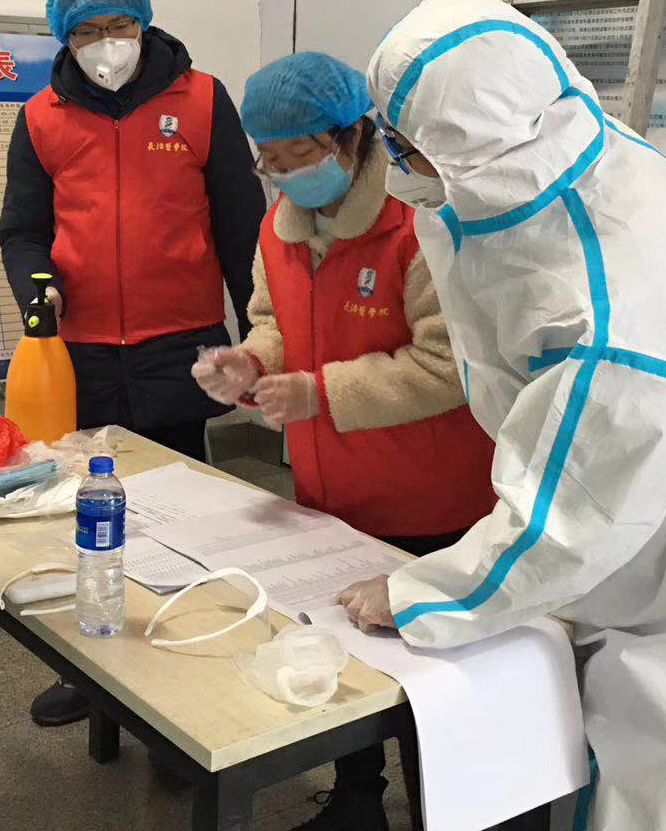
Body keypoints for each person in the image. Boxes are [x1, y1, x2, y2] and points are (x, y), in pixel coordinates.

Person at [340, 0, 666, 831]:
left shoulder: (619, 312)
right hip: (644, 508)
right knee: (585, 762)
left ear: (477, 152)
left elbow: (573, 522)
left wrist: (420, 596)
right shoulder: (547, 149)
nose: (398, 163)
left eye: (408, 148)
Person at [191, 52, 498, 831]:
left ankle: (441, 812)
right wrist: (250, 362)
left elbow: (448, 366)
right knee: (345, 662)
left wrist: (320, 393)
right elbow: (272, 322)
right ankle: (358, 801)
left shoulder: (418, 227)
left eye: (299, 156)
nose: (283, 176)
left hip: (431, 498)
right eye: (269, 161)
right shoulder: (278, 229)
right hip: (331, 492)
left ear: (353, 138)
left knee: (429, 687)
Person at [0, 0, 265, 726]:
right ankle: (90, 669)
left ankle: (180, 668)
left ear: (144, 24)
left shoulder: (202, 100)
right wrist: (38, 287)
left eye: (119, 26)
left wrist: (260, 339)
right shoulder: (42, 116)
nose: (105, 44)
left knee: (183, 517)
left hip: (178, 347)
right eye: (87, 32)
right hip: (81, 354)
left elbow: (242, 227)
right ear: (65, 37)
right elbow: (23, 230)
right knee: (84, 514)